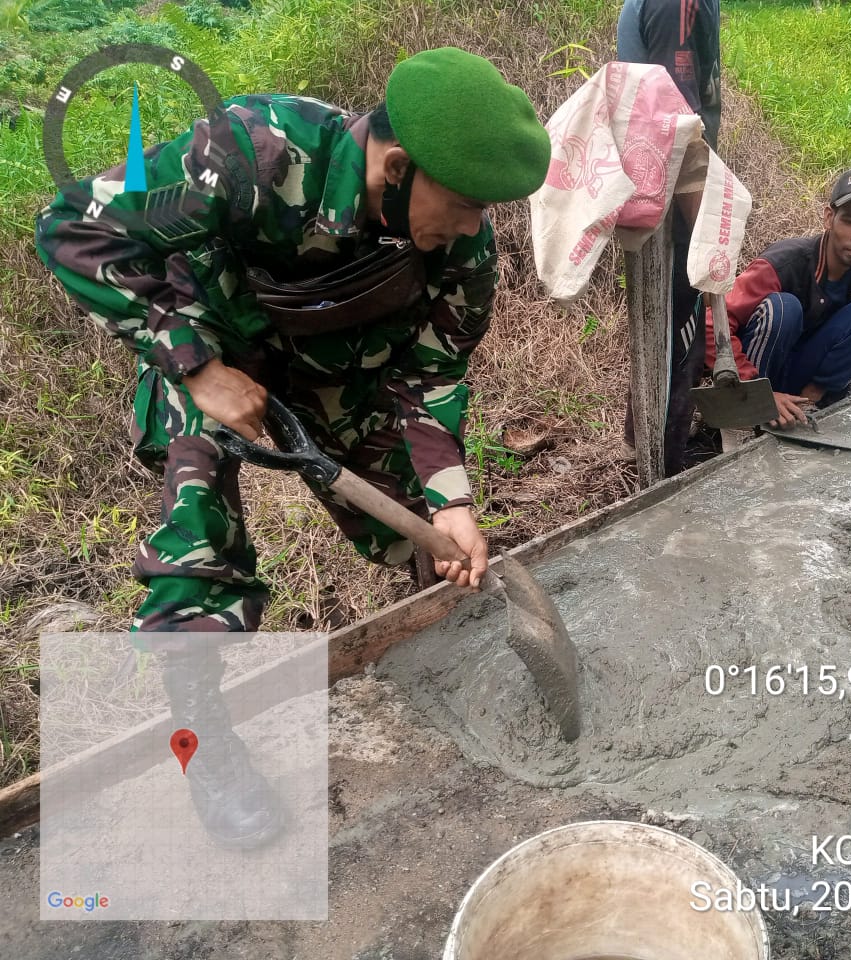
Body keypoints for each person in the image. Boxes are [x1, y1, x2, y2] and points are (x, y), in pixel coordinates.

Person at [35, 47, 551, 847]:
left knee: (423, 529)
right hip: (210, 347)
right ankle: (204, 745)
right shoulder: (254, 150)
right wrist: (197, 368)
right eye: (463, 205)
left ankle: (455, 653)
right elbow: (73, 226)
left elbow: (435, 370)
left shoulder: (462, 249)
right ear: (397, 167)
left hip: (332, 370)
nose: (472, 227)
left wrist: (453, 500)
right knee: (198, 541)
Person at [706, 166, 851, 427]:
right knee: (783, 308)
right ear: (829, 218)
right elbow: (712, 324)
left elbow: (845, 320)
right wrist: (756, 389)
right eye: (849, 221)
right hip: (756, 374)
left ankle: (806, 406)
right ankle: (751, 415)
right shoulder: (783, 263)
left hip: (799, 371)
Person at [617, 0, 722, 475]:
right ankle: (664, 471)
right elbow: (675, 125)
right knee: (679, 339)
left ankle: (640, 444)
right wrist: (704, 234)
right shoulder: (676, 3)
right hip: (670, 206)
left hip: (656, 198)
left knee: (665, 330)